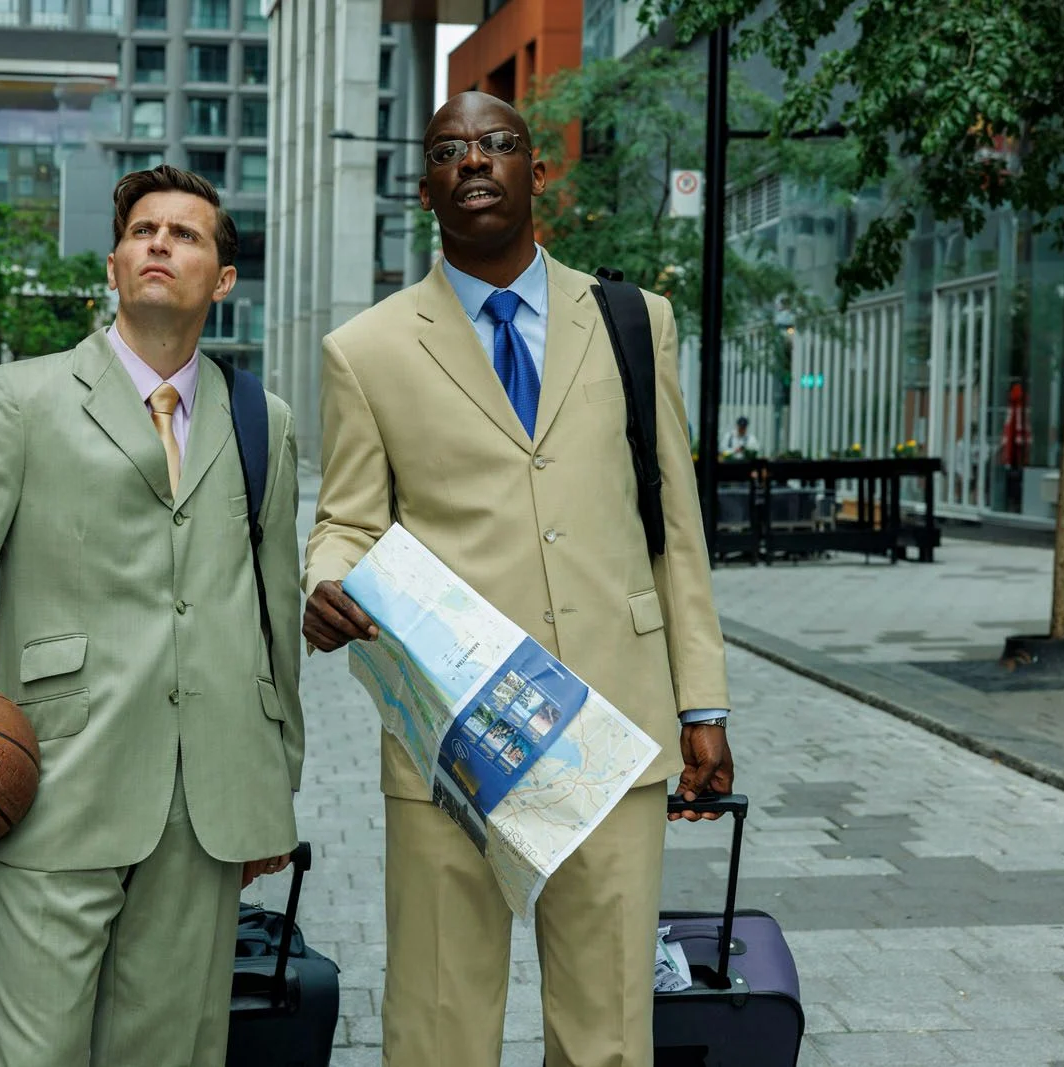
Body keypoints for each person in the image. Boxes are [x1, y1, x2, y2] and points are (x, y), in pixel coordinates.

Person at [301, 93, 735, 1067]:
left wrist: (700, 700)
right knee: (438, 1030)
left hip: (608, 727)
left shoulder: (633, 322)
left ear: (536, 172)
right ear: (425, 188)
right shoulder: (363, 350)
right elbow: (346, 518)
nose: (474, 161)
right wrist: (327, 578)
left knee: (609, 1034)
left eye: (497, 144)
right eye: (448, 149)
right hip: (453, 732)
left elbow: (672, 525)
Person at [0, 164, 304, 1067]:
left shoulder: (266, 420)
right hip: (54, 786)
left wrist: (271, 792)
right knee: (36, 1056)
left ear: (222, 280)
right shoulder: (25, 398)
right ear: (112, 265)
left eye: (186, 233)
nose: (161, 244)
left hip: (206, 810)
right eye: (144, 230)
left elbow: (273, 614)